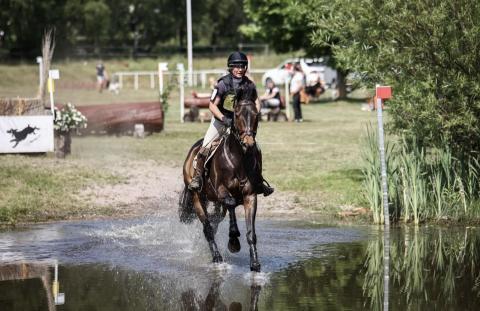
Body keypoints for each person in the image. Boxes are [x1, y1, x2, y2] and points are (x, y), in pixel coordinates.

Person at [188, 51, 274, 196]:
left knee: (255, 148)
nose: (240, 69)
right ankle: (197, 177)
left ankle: (259, 181)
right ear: (230, 67)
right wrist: (223, 118)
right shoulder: (223, 84)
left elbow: (257, 103)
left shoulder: (249, 85)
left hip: (241, 124)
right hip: (221, 121)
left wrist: (253, 115)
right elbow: (212, 106)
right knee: (206, 146)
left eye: (242, 66)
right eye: (237, 66)